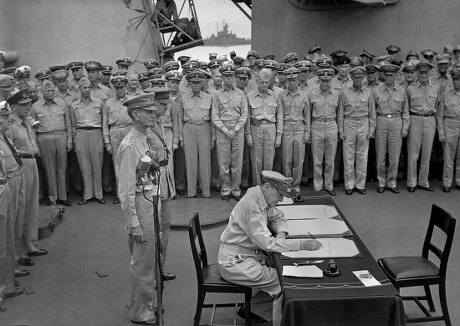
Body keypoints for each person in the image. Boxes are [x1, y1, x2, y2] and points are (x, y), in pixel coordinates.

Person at [218, 170, 322, 326]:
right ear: (267, 187)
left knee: (283, 271)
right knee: (284, 281)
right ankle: (277, 319)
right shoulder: (252, 205)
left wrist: (281, 233)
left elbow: (277, 216)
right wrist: (300, 245)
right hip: (235, 262)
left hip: (247, 255)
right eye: (279, 194)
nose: (280, 199)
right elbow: (266, 243)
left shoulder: (260, 196)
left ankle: (254, 309)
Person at [117, 93, 162, 325]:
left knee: (149, 259)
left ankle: (144, 303)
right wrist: (133, 223)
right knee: (142, 263)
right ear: (136, 114)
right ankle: (140, 312)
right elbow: (125, 189)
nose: (153, 114)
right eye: (148, 111)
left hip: (150, 200)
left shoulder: (144, 138)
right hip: (140, 205)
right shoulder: (130, 145)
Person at [146, 88, 176, 281]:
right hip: (153, 180)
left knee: (165, 224)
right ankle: (151, 270)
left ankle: (161, 267)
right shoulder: (145, 126)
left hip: (164, 177)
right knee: (154, 227)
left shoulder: (158, 122)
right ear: (153, 103)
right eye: (163, 105)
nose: (166, 108)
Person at [30, 80, 72, 206]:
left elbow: (68, 123)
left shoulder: (61, 103)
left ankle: (63, 196)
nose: (50, 92)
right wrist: (35, 145)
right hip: (44, 138)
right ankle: (53, 197)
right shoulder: (35, 107)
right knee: (49, 169)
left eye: (52, 90)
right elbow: (32, 129)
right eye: (47, 90)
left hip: (61, 136)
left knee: (62, 168)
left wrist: (69, 140)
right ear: (41, 92)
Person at [0, 100, 24, 313]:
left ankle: (6, 284)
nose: (8, 120)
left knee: (6, 238)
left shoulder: (3, 137)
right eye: (5, 117)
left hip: (6, 184)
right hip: (2, 186)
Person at [211, 65, 248, 201]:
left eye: (231, 76)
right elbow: (215, 115)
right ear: (222, 77)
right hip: (223, 131)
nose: (228, 78)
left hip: (237, 131)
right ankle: (225, 190)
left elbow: (244, 114)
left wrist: (236, 129)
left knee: (237, 163)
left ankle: (236, 189)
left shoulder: (241, 94)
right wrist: (226, 130)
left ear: (234, 77)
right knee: (223, 163)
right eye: (226, 76)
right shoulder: (216, 95)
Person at [371, 64, 409, 193]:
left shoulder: (402, 90)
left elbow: (405, 111)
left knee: (394, 156)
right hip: (381, 121)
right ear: (383, 75)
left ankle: (392, 182)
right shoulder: (376, 90)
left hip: (396, 121)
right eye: (386, 75)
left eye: (391, 75)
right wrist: (373, 128)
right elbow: (372, 112)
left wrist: (405, 127)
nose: (388, 77)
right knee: (380, 155)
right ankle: (381, 181)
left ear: (396, 76)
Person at [338, 66, 376, 195]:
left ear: (364, 78)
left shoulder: (368, 92)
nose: (358, 80)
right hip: (349, 122)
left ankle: (360, 185)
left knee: (362, 155)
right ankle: (349, 185)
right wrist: (341, 131)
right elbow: (341, 113)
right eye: (355, 77)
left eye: (360, 77)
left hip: (363, 122)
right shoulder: (345, 92)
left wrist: (371, 130)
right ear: (351, 78)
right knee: (348, 155)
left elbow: (372, 113)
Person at [406, 61, 440, 192]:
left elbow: (438, 104)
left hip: (430, 119)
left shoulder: (436, 88)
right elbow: (407, 107)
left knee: (426, 153)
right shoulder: (410, 89)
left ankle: (423, 182)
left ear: (430, 73)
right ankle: (411, 182)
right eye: (421, 73)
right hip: (415, 119)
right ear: (417, 73)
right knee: (413, 154)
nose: (423, 75)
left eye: (426, 73)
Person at [178, 70, 213, 198]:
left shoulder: (209, 98)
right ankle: (191, 191)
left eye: (198, 82)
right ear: (189, 84)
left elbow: (213, 119)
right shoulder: (183, 98)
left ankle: (206, 191)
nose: (196, 85)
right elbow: (180, 118)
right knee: (190, 160)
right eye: (193, 83)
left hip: (204, 128)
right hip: (189, 128)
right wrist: (181, 137)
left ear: (202, 83)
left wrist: (213, 137)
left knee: (205, 161)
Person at [71, 77, 106, 205]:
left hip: (96, 133)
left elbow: (104, 121)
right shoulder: (74, 105)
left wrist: (103, 138)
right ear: (79, 89)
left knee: (97, 165)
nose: (87, 90)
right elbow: (73, 124)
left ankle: (99, 194)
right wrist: (74, 139)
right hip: (81, 134)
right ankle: (88, 195)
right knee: (84, 166)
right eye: (84, 87)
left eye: (88, 87)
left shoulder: (99, 102)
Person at [245, 69, 282, 185]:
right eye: (262, 82)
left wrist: (279, 135)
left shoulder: (275, 96)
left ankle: (268, 186)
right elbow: (247, 118)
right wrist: (248, 135)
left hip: (271, 128)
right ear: (257, 81)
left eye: (267, 82)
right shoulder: (249, 96)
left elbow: (279, 116)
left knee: (269, 160)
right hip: (256, 128)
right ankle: (257, 186)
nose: (265, 85)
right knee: (256, 160)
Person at [278, 67, 309, 199]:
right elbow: (279, 115)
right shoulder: (281, 95)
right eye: (289, 80)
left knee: (298, 159)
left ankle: (296, 184)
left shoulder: (303, 95)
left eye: (294, 80)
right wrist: (279, 133)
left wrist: (307, 132)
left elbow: (307, 115)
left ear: (298, 80)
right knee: (286, 159)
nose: (291, 83)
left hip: (299, 128)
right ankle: (287, 184)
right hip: (286, 127)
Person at [309, 68, 340, 195]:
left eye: (327, 81)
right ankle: (318, 186)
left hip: (332, 124)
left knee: (330, 159)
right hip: (317, 125)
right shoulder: (312, 94)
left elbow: (339, 112)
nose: (325, 84)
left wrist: (339, 129)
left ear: (331, 80)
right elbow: (308, 114)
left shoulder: (337, 94)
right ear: (318, 80)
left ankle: (328, 185)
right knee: (317, 159)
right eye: (322, 81)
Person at [102, 75, 132, 204]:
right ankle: (121, 195)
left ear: (126, 87)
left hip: (129, 130)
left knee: (131, 162)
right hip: (114, 132)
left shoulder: (132, 100)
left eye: (122, 87)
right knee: (117, 164)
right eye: (117, 88)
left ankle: (131, 192)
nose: (120, 90)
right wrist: (107, 142)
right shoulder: (108, 103)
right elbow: (104, 124)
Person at [437, 68, 460, 192]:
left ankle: (459, 180)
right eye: (454, 79)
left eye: (458, 79)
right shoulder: (446, 94)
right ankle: (447, 181)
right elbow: (440, 115)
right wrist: (441, 132)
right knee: (448, 155)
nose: (456, 82)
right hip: (450, 123)